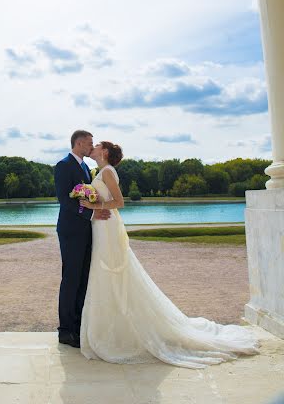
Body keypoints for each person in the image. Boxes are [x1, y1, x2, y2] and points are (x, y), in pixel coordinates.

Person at [78, 141, 260, 368]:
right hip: (102, 225)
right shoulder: (101, 171)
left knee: (112, 270)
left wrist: (92, 205)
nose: (92, 148)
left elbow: (119, 202)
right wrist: (91, 202)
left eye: (96, 146)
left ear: (104, 152)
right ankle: (110, 326)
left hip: (108, 225)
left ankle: (122, 330)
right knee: (104, 271)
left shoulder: (106, 171)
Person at [54, 130, 111, 348]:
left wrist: (96, 210)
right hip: (70, 231)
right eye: (89, 143)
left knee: (82, 279)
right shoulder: (63, 165)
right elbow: (64, 200)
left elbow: (88, 196)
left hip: (86, 231)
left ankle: (78, 326)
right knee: (70, 280)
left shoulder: (86, 168)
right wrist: (91, 213)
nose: (91, 146)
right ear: (78, 143)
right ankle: (65, 331)